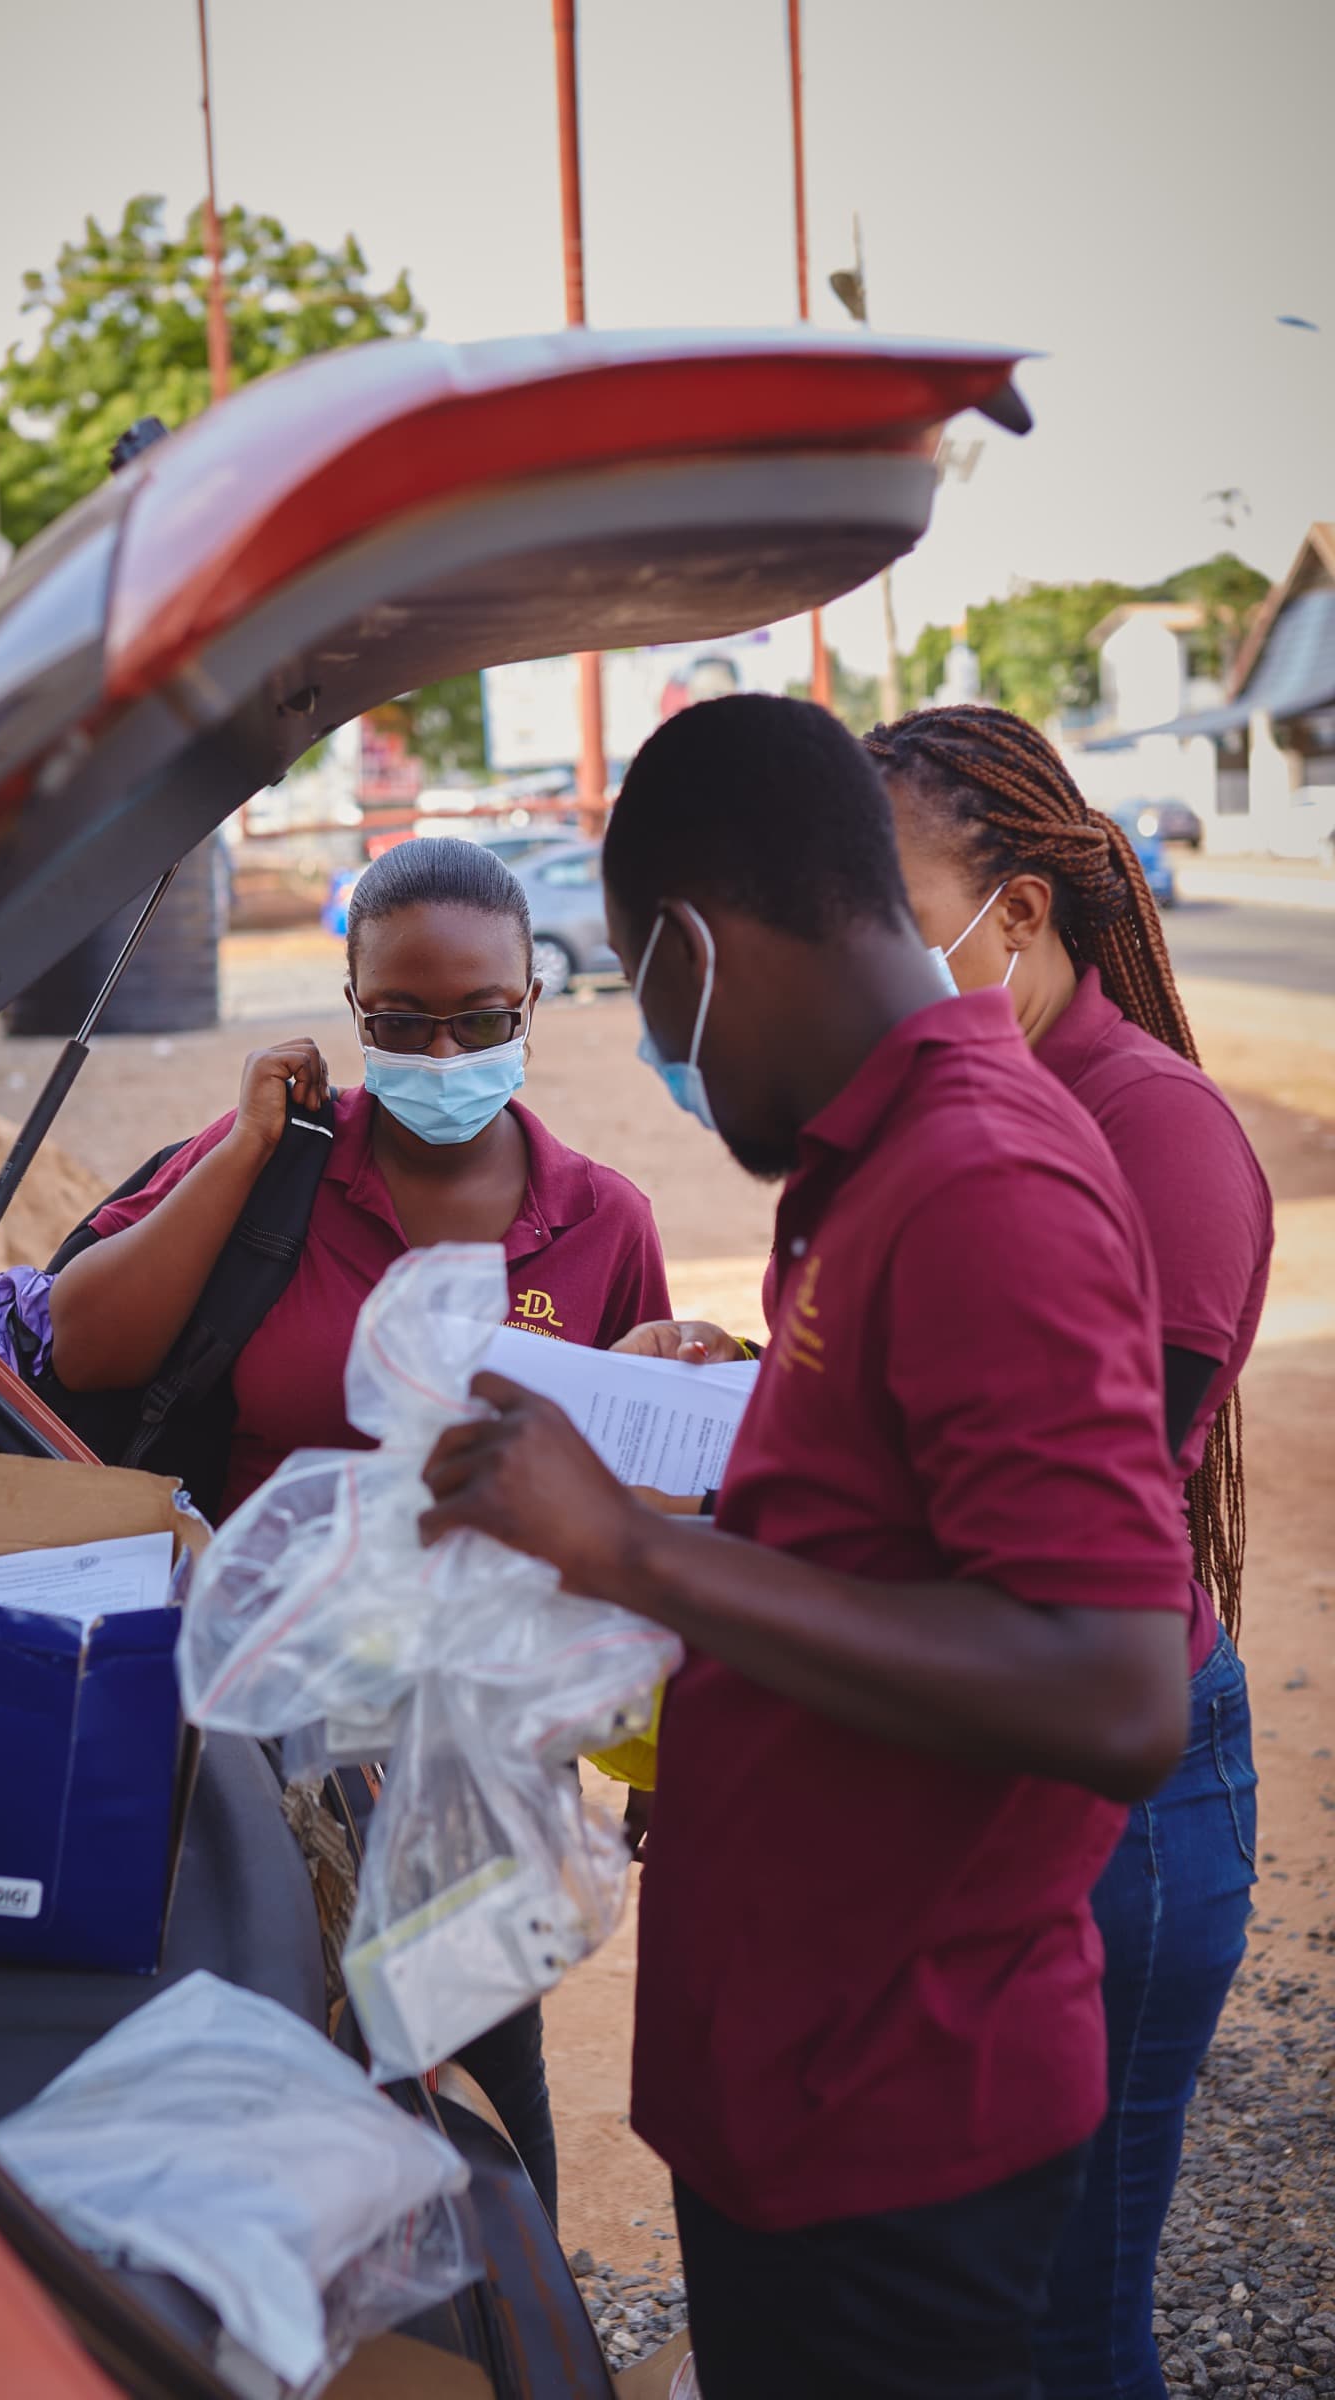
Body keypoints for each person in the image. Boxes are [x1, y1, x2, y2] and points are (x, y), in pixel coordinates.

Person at [416, 695, 1195, 2400]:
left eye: (642, 986)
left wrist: (634, 1552)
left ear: (692, 947)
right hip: (797, 2066)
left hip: (901, 2113)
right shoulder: (869, 1160)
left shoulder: (982, 1178)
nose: (659, 1045)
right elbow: (891, 1540)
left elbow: (1121, 1685)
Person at [49, 834, 673, 2226]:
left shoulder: (601, 1224)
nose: (443, 1048)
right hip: (256, 1730)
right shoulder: (280, 1176)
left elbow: (641, 1496)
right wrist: (252, 1147)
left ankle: (499, 2337)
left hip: (478, 1738)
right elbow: (85, 1344)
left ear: (530, 1001)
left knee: (478, 2069)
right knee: (260, 2025)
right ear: (352, 1007)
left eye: (482, 1019)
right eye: (401, 1020)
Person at [857, 704, 1269, 2400]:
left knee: (1065, 2333)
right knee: (959, 2318)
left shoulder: (1147, 1130)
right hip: (960, 1783)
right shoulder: (931, 1107)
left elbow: (1057, 1516)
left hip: (1110, 1825)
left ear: (1012, 915)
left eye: (882, 913)